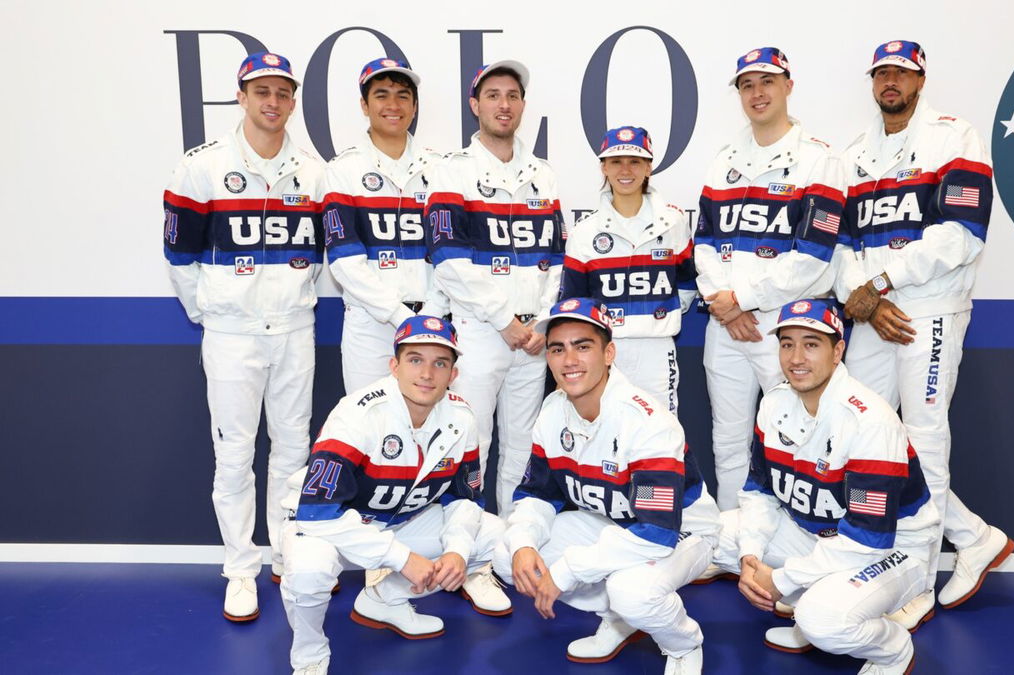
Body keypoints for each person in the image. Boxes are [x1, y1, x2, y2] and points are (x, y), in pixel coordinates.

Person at [834, 40, 1014, 625]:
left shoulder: (954, 136)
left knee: (924, 437)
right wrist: (863, 296)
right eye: (881, 73)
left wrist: (881, 282)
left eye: (901, 73)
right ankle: (972, 536)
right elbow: (841, 242)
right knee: (864, 434)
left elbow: (961, 233)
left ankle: (918, 578)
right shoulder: (857, 150)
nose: (890, 82)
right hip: (872, 312)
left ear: (920, 79)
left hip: (929, 308)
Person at [163, 51, 323, 622]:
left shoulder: (312, 170)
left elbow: (322, 253)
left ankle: (286, 552)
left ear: (292, 100)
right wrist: (209, 311)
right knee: (233, 458)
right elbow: (179, 254)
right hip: (232, 334)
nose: (273, 102)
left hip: (295, 330)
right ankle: (240, 567)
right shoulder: (201, 167)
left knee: (293, 449)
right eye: (262, 92)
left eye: (282, 93)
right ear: (242, 95)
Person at [492, 298, 720, 675]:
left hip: (680, 531)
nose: (569, 361)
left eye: (583, 346)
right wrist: (523, 545)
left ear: (609, 352)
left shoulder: (646, 421)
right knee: (508, 552)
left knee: (633, 592)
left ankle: (683, 643)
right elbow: (538, 494)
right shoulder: (553, 410)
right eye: (557, 349)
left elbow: (655, 532)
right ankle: (618, 618)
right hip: (615, 522)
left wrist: (566, 572)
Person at [710, 299, 939, 675]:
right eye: (787, 344)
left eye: (811, 344)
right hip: (816, 535)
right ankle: (808, 603)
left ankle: (893, 649)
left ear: (838, 351)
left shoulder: (869, 422)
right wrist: (751, 555)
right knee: (710, 533)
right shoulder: (775, 403)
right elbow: (759, 492)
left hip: (893, 548)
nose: (796, 357)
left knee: (824, 621)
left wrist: (781, 579)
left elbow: (866, 540)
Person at [278, 315, 511, 675]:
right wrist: (403, 558)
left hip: (398, 521)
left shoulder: (462, 417)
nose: (427, 374)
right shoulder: (358, 414)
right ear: (394, 366)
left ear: (453, 374)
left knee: (497, 536)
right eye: (415, 360)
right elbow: (318, 513)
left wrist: (457, 550)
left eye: (440, 363)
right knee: (310, 573)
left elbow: (463, 499)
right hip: (326, 525)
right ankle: (309, 656)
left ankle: (383, 599)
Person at [695, 47, 847, 510]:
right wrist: (724, 303)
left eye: (767, 82)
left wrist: (742, 298)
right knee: (728, 438)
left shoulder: (820, 161)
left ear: (788, 86)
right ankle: (731, 539)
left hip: (785, 327)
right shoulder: (724, 160)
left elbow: (814, 256)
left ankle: (802, 532)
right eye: (747, 85)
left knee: (801, 437)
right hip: (726, 326)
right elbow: (703, 244)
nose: (757, 93)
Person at [424, 60, 565, 516]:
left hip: (533, 338)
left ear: (522, 105)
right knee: (470, 444)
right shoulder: (450, 171)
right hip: (482, 332)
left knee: (523, 448)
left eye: (512, 96)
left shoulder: (544, 174)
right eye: (493, 95)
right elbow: (449, 262)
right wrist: (504, 320)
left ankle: (510, 545)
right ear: (475, 105)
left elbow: (558, 259)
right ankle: (469, 552)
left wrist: (542, 321)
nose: (504, 105)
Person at [319, 58, 446, 394]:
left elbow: (451, 255)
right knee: (370, 430)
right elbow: (345, 261)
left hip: (432, 318)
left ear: (415, 107)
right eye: (382, 95)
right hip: (370, 324)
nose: (393, 105)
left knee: (431, 431)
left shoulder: (441, 169)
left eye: (403, 96)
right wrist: (397, 313)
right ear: (364, 104)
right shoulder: (343, 170)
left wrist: (432, 311)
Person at [559, 125, 697, 415]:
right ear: (604, 168)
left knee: (660, 435)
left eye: (635, 161)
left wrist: (661, 315)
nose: (626, 169)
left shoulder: (673, 222)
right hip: (606, 350)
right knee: (604, 431)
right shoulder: (585, 233)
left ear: (648, 168)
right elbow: (574, 302)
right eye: (616, 161)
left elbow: (686, 284)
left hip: (657, 350)